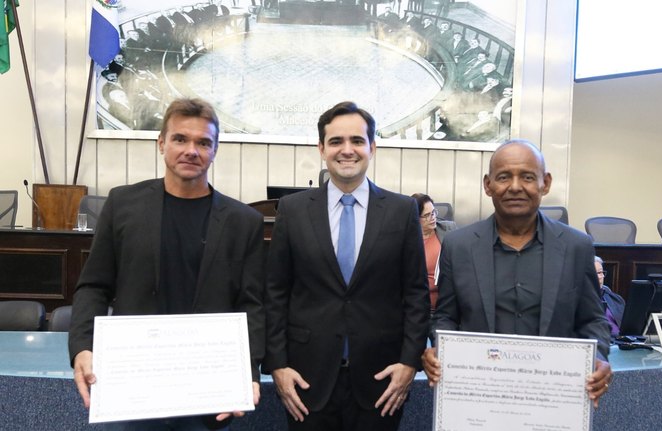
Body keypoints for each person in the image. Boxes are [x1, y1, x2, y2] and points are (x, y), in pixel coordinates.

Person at [68, 98, 266, 430]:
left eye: (203, 142)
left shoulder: (243, 221)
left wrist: (248, 372)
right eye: (180, 139)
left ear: (215, 150)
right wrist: (83, 348)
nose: (192, 150)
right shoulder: (122, 204)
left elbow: (252, 304)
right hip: (132, 391)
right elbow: (94, 286)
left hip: (207, 396)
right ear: (161, 143)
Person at [264, 101, 429, 431]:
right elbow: (275, 293)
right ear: (321, 148)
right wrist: (278, 366)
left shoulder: (401, 211)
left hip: (382, 382)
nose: (347, 150)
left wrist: (410, 363)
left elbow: (415, 295)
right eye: (336, 141)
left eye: (357, 140)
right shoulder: (293, 211)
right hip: (307, 382)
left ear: (372, 147)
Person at [422, 139, 613, 408]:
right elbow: (445, 316)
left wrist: (600, 356)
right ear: (488, 185)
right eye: (503, 177)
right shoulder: (459, 246)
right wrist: (440, 348)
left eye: (527, 177)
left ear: (545, 183)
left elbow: (593, 320)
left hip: (552, 401)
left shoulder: (576, 247)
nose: (514, 187)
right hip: (478, 402)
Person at [411, 193, 457, 313]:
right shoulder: (407, 239)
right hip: (419, 307)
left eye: (434, 212)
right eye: (426, 215)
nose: (432, 217)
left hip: (446, 304)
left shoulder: (448, 230)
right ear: (415, 217)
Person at [595, 255, 625, 338]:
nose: (600, 277)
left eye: (600, 272)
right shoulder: (573, 301)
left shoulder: (616, 299)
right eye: (594, 273)